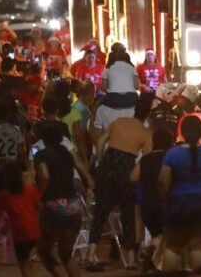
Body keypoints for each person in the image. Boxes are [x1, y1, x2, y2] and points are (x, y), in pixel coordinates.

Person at [85, 93, 154, 271]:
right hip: (127, 166)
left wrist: (101, 162)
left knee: (100, 211)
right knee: (128, 213)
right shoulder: (146, 133)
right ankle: (130, 258)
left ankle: (90, 254)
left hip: (108, 162)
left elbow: (100, 142)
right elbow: (146, 159)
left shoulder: (119, 122)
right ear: (147, 114)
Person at [158, 114, 201, 271]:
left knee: (173, 246)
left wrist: (164, 198)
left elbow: (163, 182)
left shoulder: (173, 154)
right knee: (197, 245)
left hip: (179, 204)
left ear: (182, 132)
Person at [34, 121, 93, 277]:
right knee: (66, 255)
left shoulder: (41, 155)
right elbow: (80, 167)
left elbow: (44, 176)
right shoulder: (67, 153)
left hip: (53, 205)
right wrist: (90, 181)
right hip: (73, 205)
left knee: (44, 251)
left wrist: (39, 195)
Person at [131, 127, 174, 268]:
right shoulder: (171, 158)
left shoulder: (145, 159)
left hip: (147, 204)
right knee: (169, 237)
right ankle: (161, 266)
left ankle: (149, 256)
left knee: (157, 234)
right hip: (166, 203)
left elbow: (133, 177)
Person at [0, 162, 42, 277]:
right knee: (29, 262)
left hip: (20, 234)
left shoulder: (3, 195)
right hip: (35, 230)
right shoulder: (30, 189)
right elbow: (40, 208)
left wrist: (6, 227)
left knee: (24, 265)